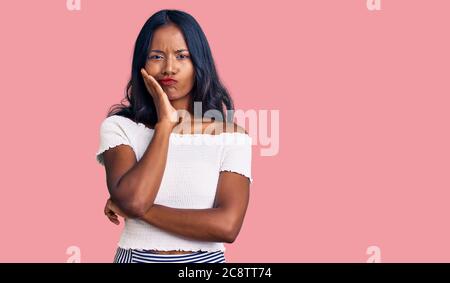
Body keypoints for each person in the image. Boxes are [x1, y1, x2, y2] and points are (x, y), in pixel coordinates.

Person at [95, 9, 253, 263]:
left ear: (199, 63)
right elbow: (134, 200)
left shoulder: (231, 137)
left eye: (182, 56)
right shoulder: (119, 127)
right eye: (156, 56)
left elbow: (227, 226)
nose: (169, 67)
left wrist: (133, 208)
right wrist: (165, 125)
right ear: (142, 65)